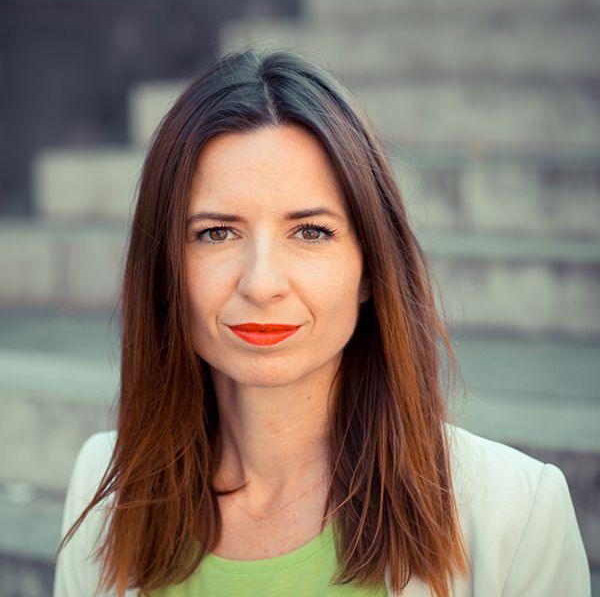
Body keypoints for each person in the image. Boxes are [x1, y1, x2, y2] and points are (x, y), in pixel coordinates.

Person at [53, 47, 591, 597]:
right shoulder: (109, 489)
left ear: (369, 268)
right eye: (217, 233)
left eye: (310, 231)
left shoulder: (517, 512)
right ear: (166, 268)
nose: (261, 284)